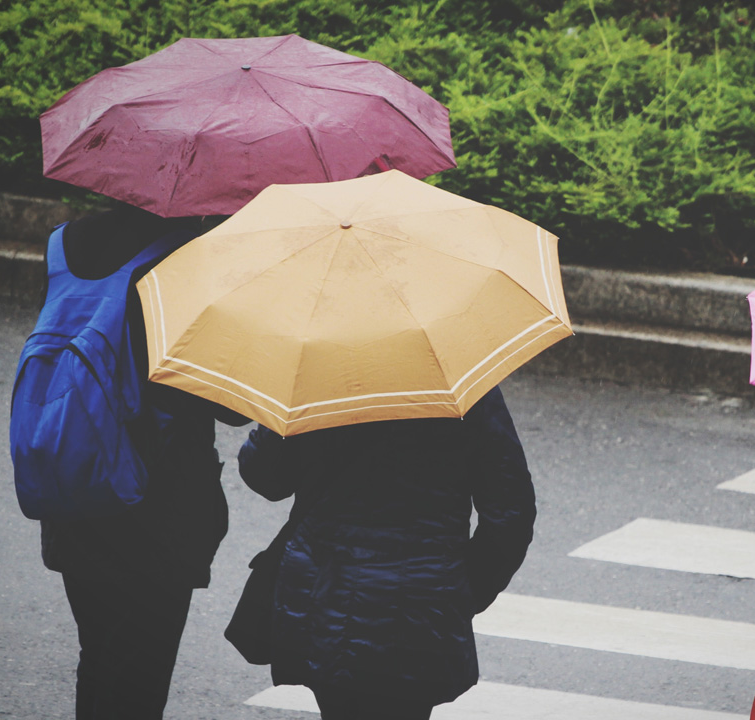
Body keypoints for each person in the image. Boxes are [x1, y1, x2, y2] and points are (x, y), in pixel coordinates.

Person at [36, 205, 249, 719]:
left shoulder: (66, 243)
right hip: (156, 509)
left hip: (75, 480)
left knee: (98, 656)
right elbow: (227, 404)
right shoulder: (186, 261)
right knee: (140, 678)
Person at [237, 385, 537, 720]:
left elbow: (264, 475)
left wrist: (284, 408)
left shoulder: (319, 379)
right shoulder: (462, 388)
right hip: (420, 605)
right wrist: (463, 591)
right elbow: (511, 514)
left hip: (327, 596)